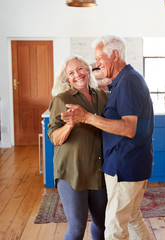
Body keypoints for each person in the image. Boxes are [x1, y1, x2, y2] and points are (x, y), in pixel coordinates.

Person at [61, 35, 154, 240]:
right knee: (132, 219)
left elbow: (129, 129)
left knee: (114, 229)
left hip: (125, 167)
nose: (97, 63)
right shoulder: (126, 80)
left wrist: (87, 117)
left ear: (114, 54)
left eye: (99, 58)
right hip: (133, 165)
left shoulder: (128, 82)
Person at [47, 55, 108, 240]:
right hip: (72, 172)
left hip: (99, 170)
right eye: (71, 73)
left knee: (103, 223)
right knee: (76, 228)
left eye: (79, 69)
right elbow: (54, 138)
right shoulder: (61, 99)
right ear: (66, 78)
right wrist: (71, 124)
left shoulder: (103, 96)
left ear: (87, 69)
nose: (77, 75)